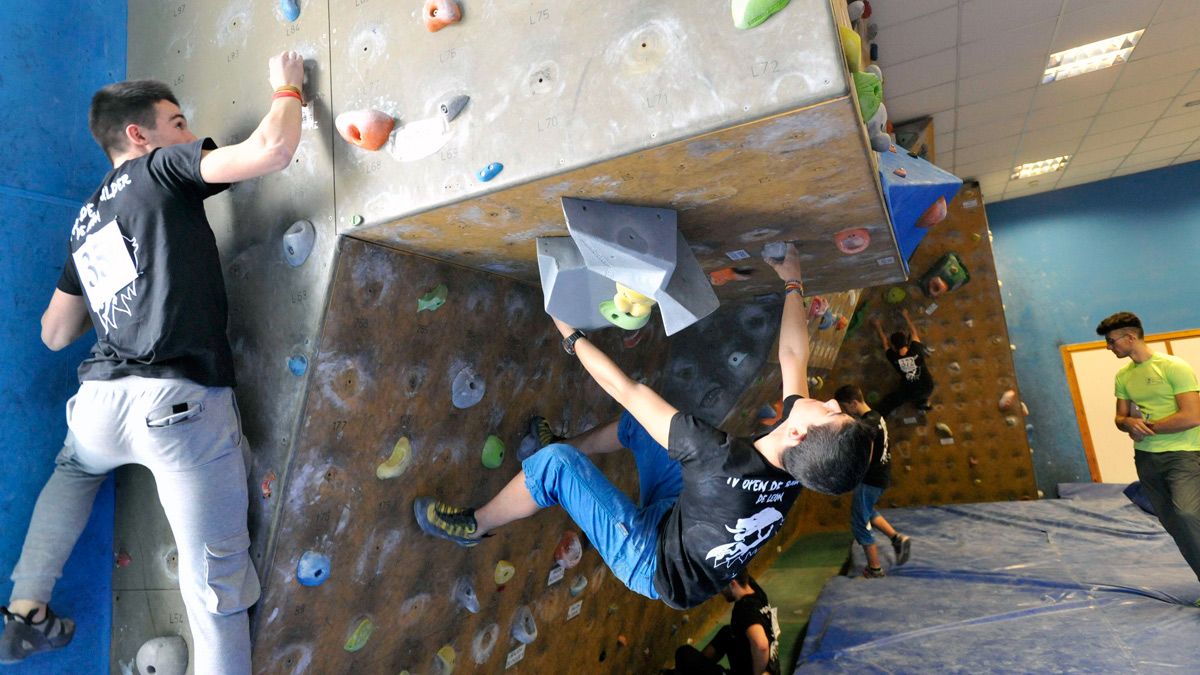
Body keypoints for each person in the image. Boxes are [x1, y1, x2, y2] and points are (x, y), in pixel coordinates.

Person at [0, 52, 306, 672]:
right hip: (176, 407)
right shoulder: (159, 171)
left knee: (74, 472)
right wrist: (288, 85)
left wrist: (113, 287)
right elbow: (272, 149)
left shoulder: (85, 223)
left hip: (101, 408)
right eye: (178, 123)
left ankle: (25, 609)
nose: (189, 137)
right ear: (139, 135)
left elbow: (55, 333)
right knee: (211, 591)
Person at [413, 244, 875, 610]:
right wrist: (792, 278)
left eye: (832, 413)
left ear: (798, 433)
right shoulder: (801, 465)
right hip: (687, 517)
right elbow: (793, 356)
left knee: (555, 466)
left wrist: (568, 332)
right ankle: (563, 445)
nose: (833, 401)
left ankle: (474, 525)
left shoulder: (716, 457)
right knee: (640, 426)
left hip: (652, 562)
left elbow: (625, 388)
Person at [1097, 312, 1200, 586]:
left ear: (1130, 337)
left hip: (1184, 455)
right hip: (1146, 458)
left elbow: (1192, 416)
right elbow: (1120, 419)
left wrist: (1148, 428)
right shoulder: (1124, 376)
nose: (1109, 347)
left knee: (1188, 515)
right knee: (1174, 524)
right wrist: (1129, 422)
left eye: (1111, 341)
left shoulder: (1173, 367)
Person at [833, 384, 910, 578]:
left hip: (871, 478)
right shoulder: (876, 416)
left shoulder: (867, 425)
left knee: (859, 521)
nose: (845, 411)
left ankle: (875, 569)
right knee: (867, 511)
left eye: (845, 407)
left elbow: (866, 456)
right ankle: (896, 538)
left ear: (853, 403)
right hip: (881, 474)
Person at [667, 573, 780, 675]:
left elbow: (762, 646)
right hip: (771, 668)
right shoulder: (755, 591)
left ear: (732, 583)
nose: (720, 592)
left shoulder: (746, 610)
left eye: (721, 587)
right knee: (728, 633)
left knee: (684, 654)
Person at [871, 309, 934, 417]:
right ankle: (922, 403)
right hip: (928, 387)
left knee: (891, 400)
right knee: (916, 393)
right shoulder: (917, 349)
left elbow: (884, 342)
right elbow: (914, 333)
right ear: (906, 342)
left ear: (894, 347)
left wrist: (878, 326)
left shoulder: (893, 357)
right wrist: (906, 316)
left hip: (911, 392)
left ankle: (878, 416)